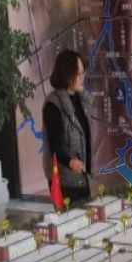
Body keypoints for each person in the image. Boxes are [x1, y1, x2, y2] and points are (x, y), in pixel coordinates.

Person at [43, 50, 93, 205]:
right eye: (78, 74)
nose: (82, 77)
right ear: (67, 75)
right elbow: (54, 147)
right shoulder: (53, 105)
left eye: (83, 72)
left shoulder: (80, 99)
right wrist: (70, 162)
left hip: (83, 177)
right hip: (65, 182)